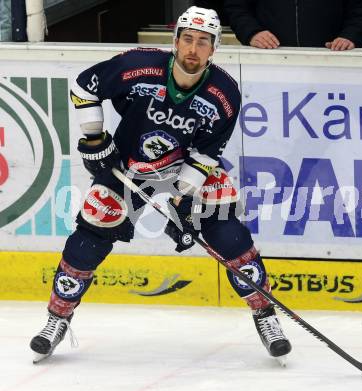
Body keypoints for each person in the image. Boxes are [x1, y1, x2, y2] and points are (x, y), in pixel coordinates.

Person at [29, 6, 291, 365]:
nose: (193, 49)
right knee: (88, 239)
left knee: (229, 235)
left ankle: (266, 316)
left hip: (185, 168)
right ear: (175, 41)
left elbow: (206, 154)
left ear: (214, 48)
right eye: (187, 40)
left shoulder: (224, 94)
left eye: (203, 42)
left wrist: (182, 202)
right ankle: (57, 318)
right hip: (127, 165)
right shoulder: (139, 66)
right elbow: (83, 86)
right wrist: (94, 139)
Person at [224, 0, 362, 50]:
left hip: (333, 64)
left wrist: (351, 37)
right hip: (268, 64)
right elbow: (237, 7)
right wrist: (252, 33)